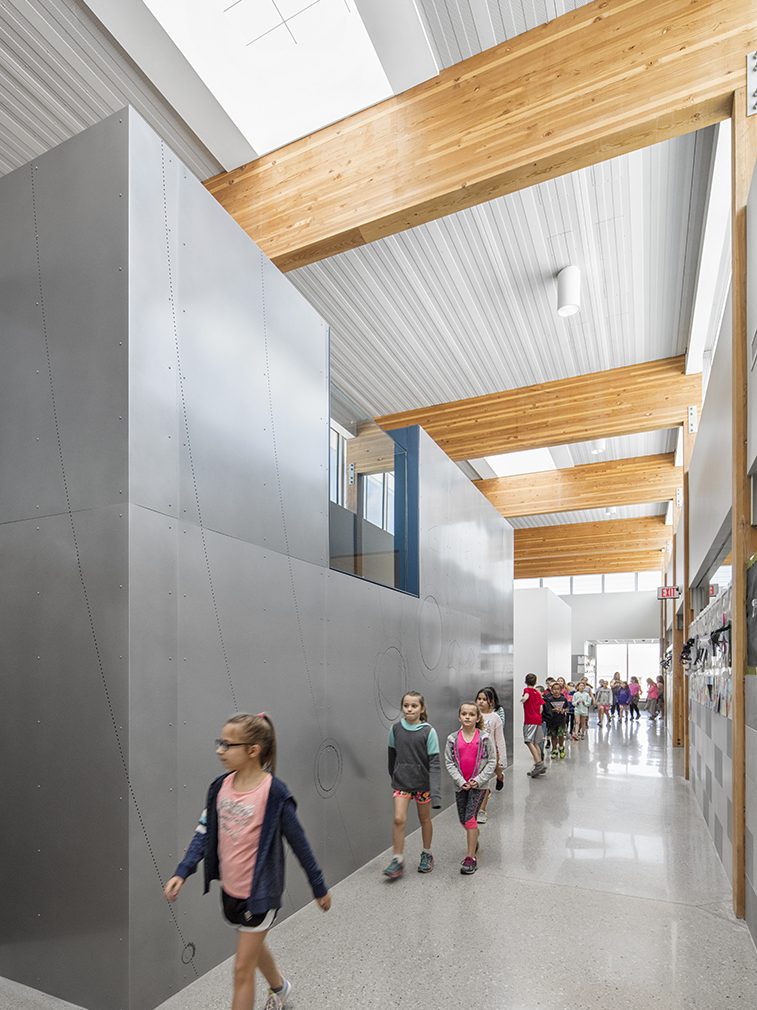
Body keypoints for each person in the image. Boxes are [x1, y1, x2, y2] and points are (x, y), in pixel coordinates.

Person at [163, 713, 331, 1010]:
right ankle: (281, 988)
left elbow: (299, 843)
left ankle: (276, 990)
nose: (219, 750)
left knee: (242, 970)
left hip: (260, 895)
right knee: (252, 946)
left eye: (227, 745)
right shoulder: (219, 787)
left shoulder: (274, 794)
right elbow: (205, 832)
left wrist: (319, 886)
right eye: (220, 743)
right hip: (231, 892)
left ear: (253, 750)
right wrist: (183, 870)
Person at [383, 690, 442, 880]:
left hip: (422, 784)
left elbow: (434, 763)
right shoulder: (395, 730)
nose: (409, 709)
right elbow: (392, 757)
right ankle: (397, 859)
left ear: (422, 708)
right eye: (406, 705)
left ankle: (427, 853)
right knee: (399, 819)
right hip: (402, 783)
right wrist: (396, 775)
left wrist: (436, 792)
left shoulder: (428, 731)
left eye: (414, 705)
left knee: (424, 819)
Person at [444, 701, 497, 874]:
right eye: (464, 714)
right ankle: (474, 837)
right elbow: (449, 762)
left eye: (471, 714)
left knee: (469, 819)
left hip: (479, 786)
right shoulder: (452, 739)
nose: (467, 716)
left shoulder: (484, 738)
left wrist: (479, 780)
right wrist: (460, 781)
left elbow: (491, 761)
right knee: (464, 820)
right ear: (459, 717)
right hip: (461, 786)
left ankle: (470, 857)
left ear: (477, 717)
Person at [475, 687, 507, 821]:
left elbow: (499, 739)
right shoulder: (473, 714)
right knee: (481, 780)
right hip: (476, 754)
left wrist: (502, 758)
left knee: (486, 781)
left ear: (491, 702)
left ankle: (482, 810)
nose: (481, 702)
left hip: (490, 754)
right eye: (479, 699)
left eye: (484, 699)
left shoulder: (495, 718)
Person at [521, 673, 546, 776]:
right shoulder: (537, 692)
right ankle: (539, 765)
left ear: (525, 681)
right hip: (537, 720)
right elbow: (541, 708)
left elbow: (526, 697)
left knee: (528, 741)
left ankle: (539, 764)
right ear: (535, 682)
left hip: (530, 720)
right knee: (536, 743)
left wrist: (523, 699)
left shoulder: (527, 690)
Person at [543, 681, 569, 758]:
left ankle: (561, 748)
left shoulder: (563, 698)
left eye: (558, 689)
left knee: (561, 735)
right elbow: (547, 710)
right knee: (553, 736)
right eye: (554, 689)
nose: (556, 691)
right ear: (551, 690)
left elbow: (567, 708)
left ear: (560, 690)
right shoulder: (549, 699)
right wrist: (553, 710)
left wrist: (563, 710)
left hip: (561, 720)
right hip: (552, 721)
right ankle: (554, 749)